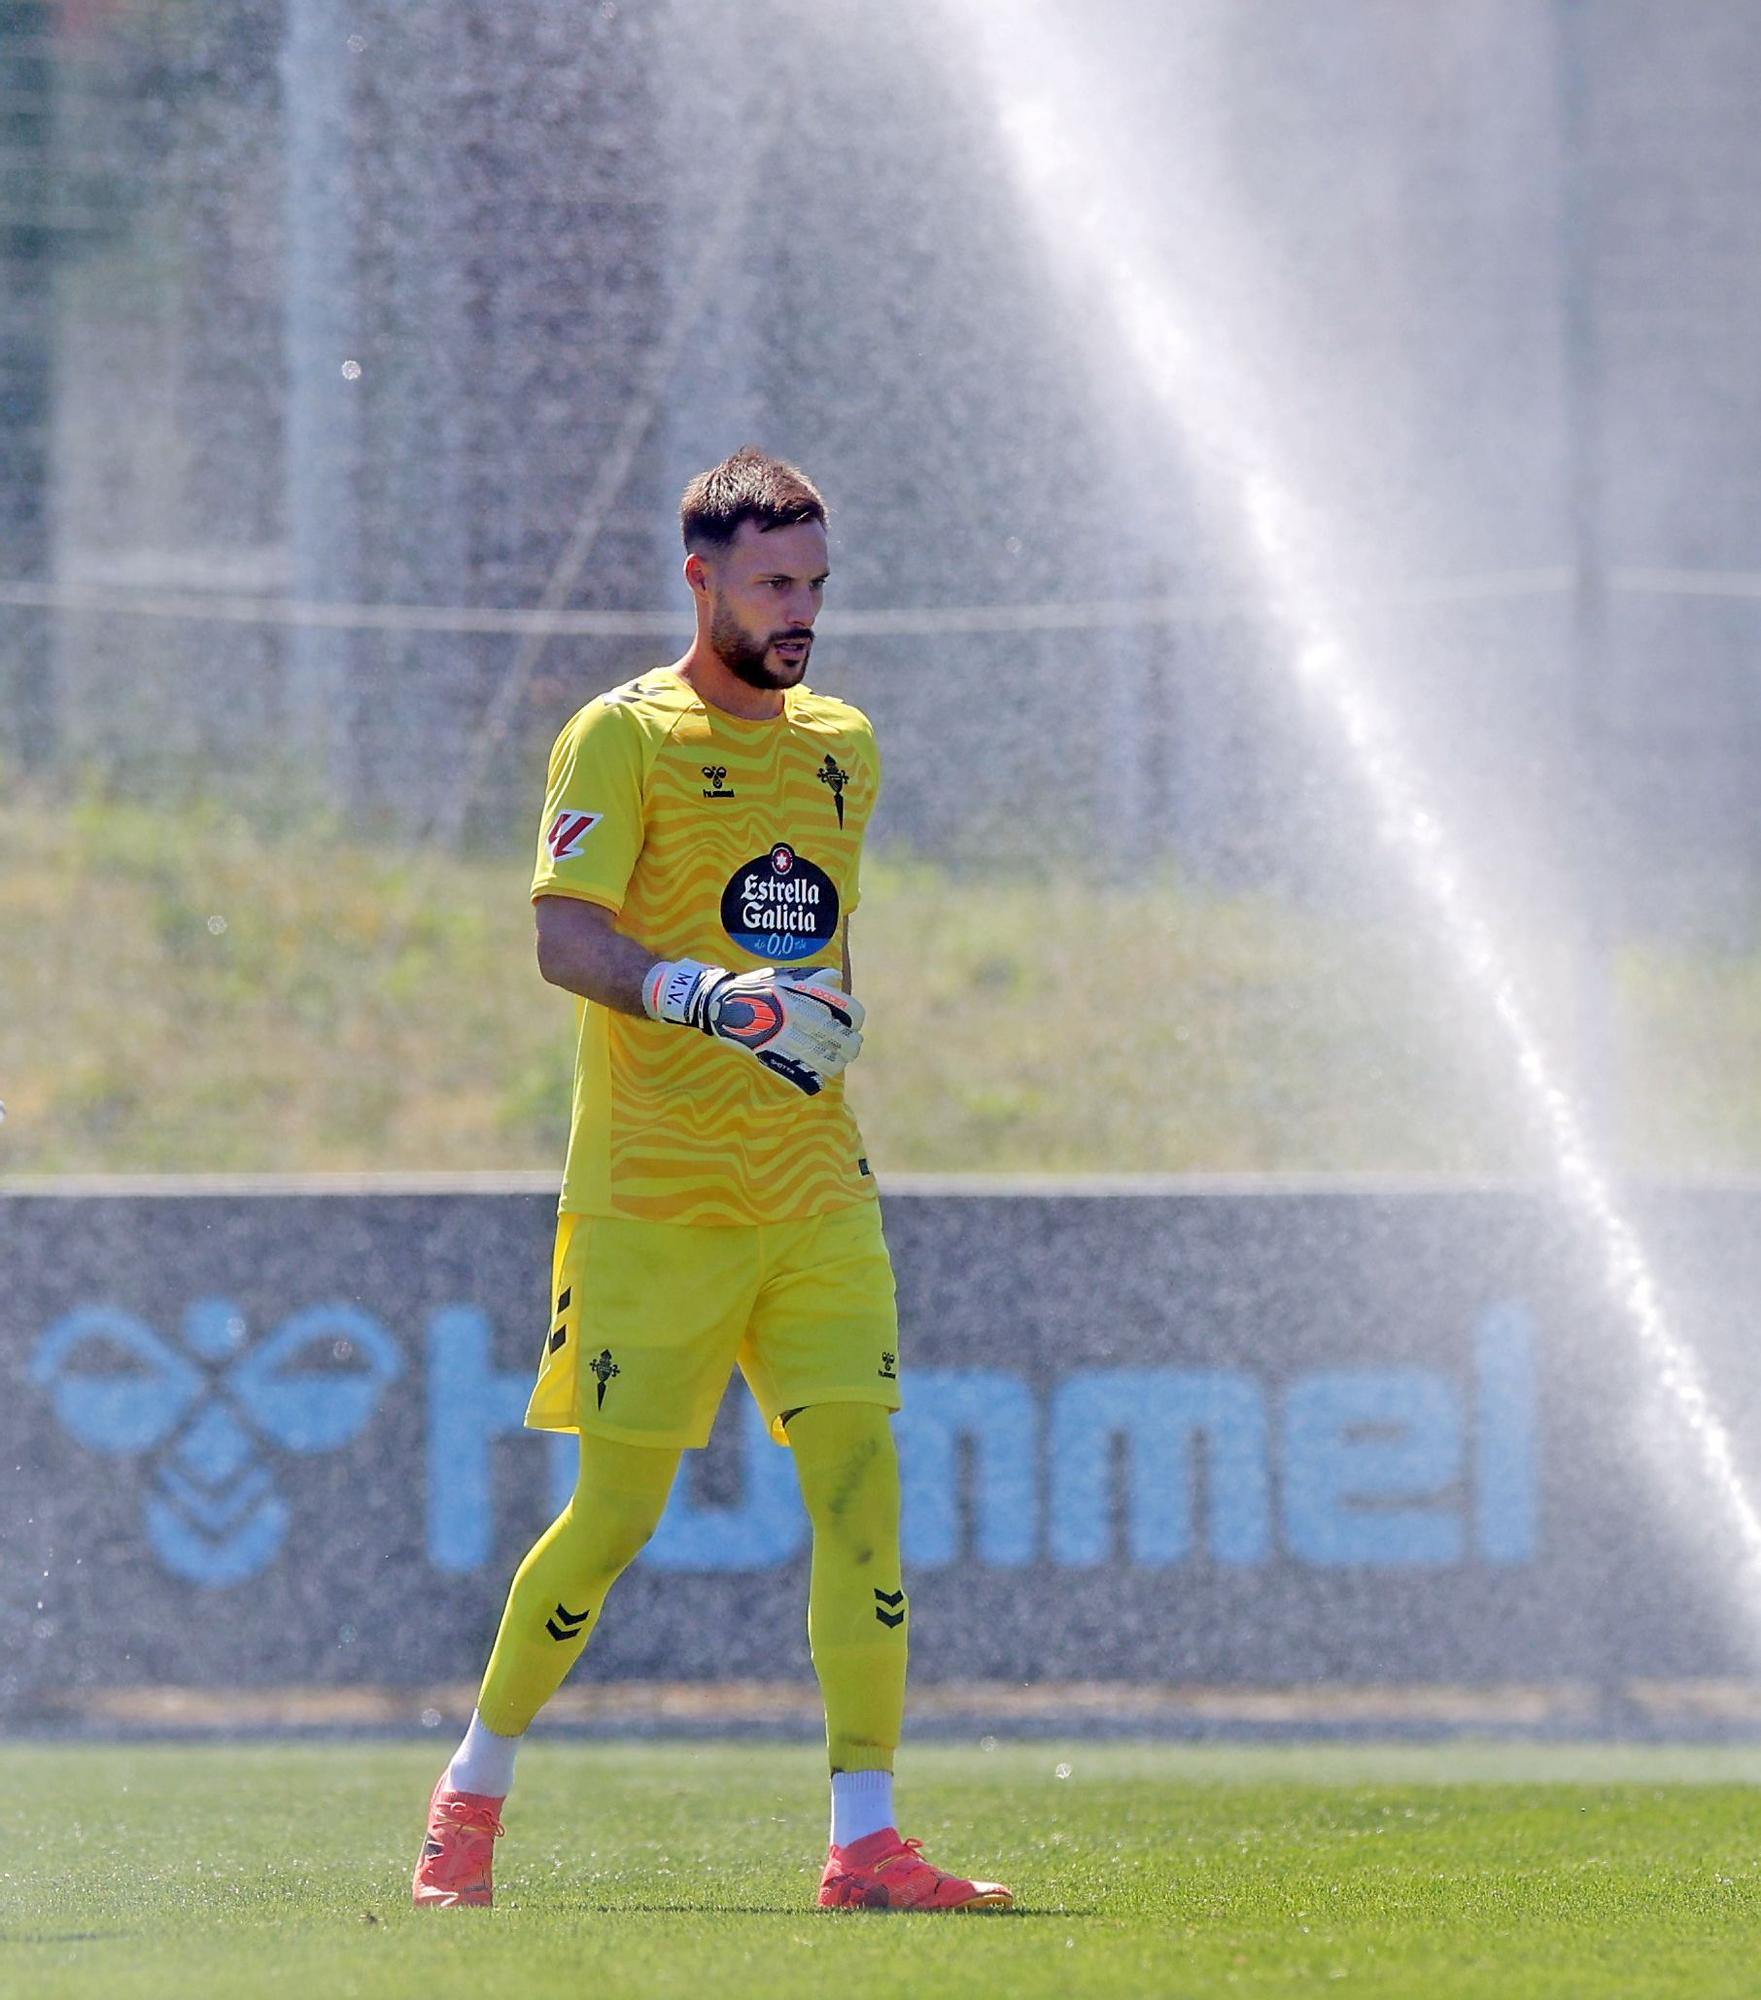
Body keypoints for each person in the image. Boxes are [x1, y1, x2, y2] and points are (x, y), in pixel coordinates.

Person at [413, 447, 1011, 1913]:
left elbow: (822, 952)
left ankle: (863, 1839)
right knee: (613, 1520)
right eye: (772, 585)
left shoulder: (842, 745)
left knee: (862, 1485)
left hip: (812, 1196)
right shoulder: (617, 735)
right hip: (653, 1202)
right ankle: (465, 1810)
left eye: (815, 582)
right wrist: (702, 997)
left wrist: (827, 1021)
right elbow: (565, 941)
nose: (801, 610)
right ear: (701, 581)